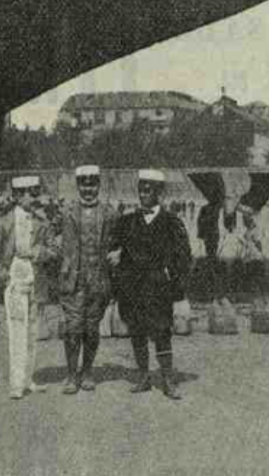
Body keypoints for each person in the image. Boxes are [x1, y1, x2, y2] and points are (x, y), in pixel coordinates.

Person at [108, 169, 192, 400]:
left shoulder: (172, 222)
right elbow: (113, 248)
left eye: (149, 190)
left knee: (162, 331)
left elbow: (183, 258)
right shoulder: (126, 221)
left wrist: (177, 290)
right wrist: (118, 257)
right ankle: (143, 376)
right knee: (136, 330)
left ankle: (167, 379)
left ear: (159, 192)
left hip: (158, 288)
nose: (144, 194)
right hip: (132, 287)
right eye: (141, 189)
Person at [0, 175, 54, 400]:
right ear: (18, 196)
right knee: (17, 331)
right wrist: (4, 275)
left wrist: (42, 253)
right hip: (14, 280)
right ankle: (16, 383)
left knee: (32, 332)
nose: (33, 198)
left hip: (36, 279)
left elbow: (54, 249)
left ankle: (28, 379)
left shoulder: (42, 222)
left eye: (35, 193)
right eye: (28, 193)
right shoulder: (3, 222)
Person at [55, 165, 119, 394]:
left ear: (98, 186)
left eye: (92, 185)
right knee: (73, 329)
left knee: (91, 329)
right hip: (73, 280)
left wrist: (119, 252)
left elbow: (122, 239)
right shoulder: (66, 212)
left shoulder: (110, 213)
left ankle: (88, 371)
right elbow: (46, 234)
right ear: (78, 186)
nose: (88, 190)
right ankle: (72, 375)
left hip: (99, 280)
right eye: (84, 185)